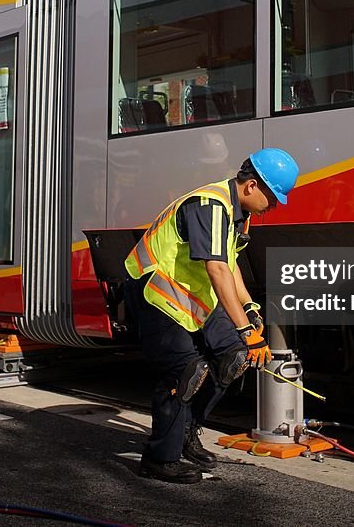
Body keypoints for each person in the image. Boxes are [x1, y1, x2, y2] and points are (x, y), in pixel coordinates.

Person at [123, 147, 299, 483]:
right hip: (155, 290)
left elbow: (229, 266)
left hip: (190, 295)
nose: (272, 208)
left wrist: (248, 311)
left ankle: (187, 432)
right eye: (272, 198)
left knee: (233, 357)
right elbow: (217, 269)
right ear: (252, 187)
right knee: (186, 371)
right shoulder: (210, 205)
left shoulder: (235, 214)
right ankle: (160, 458)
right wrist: (248, 332)